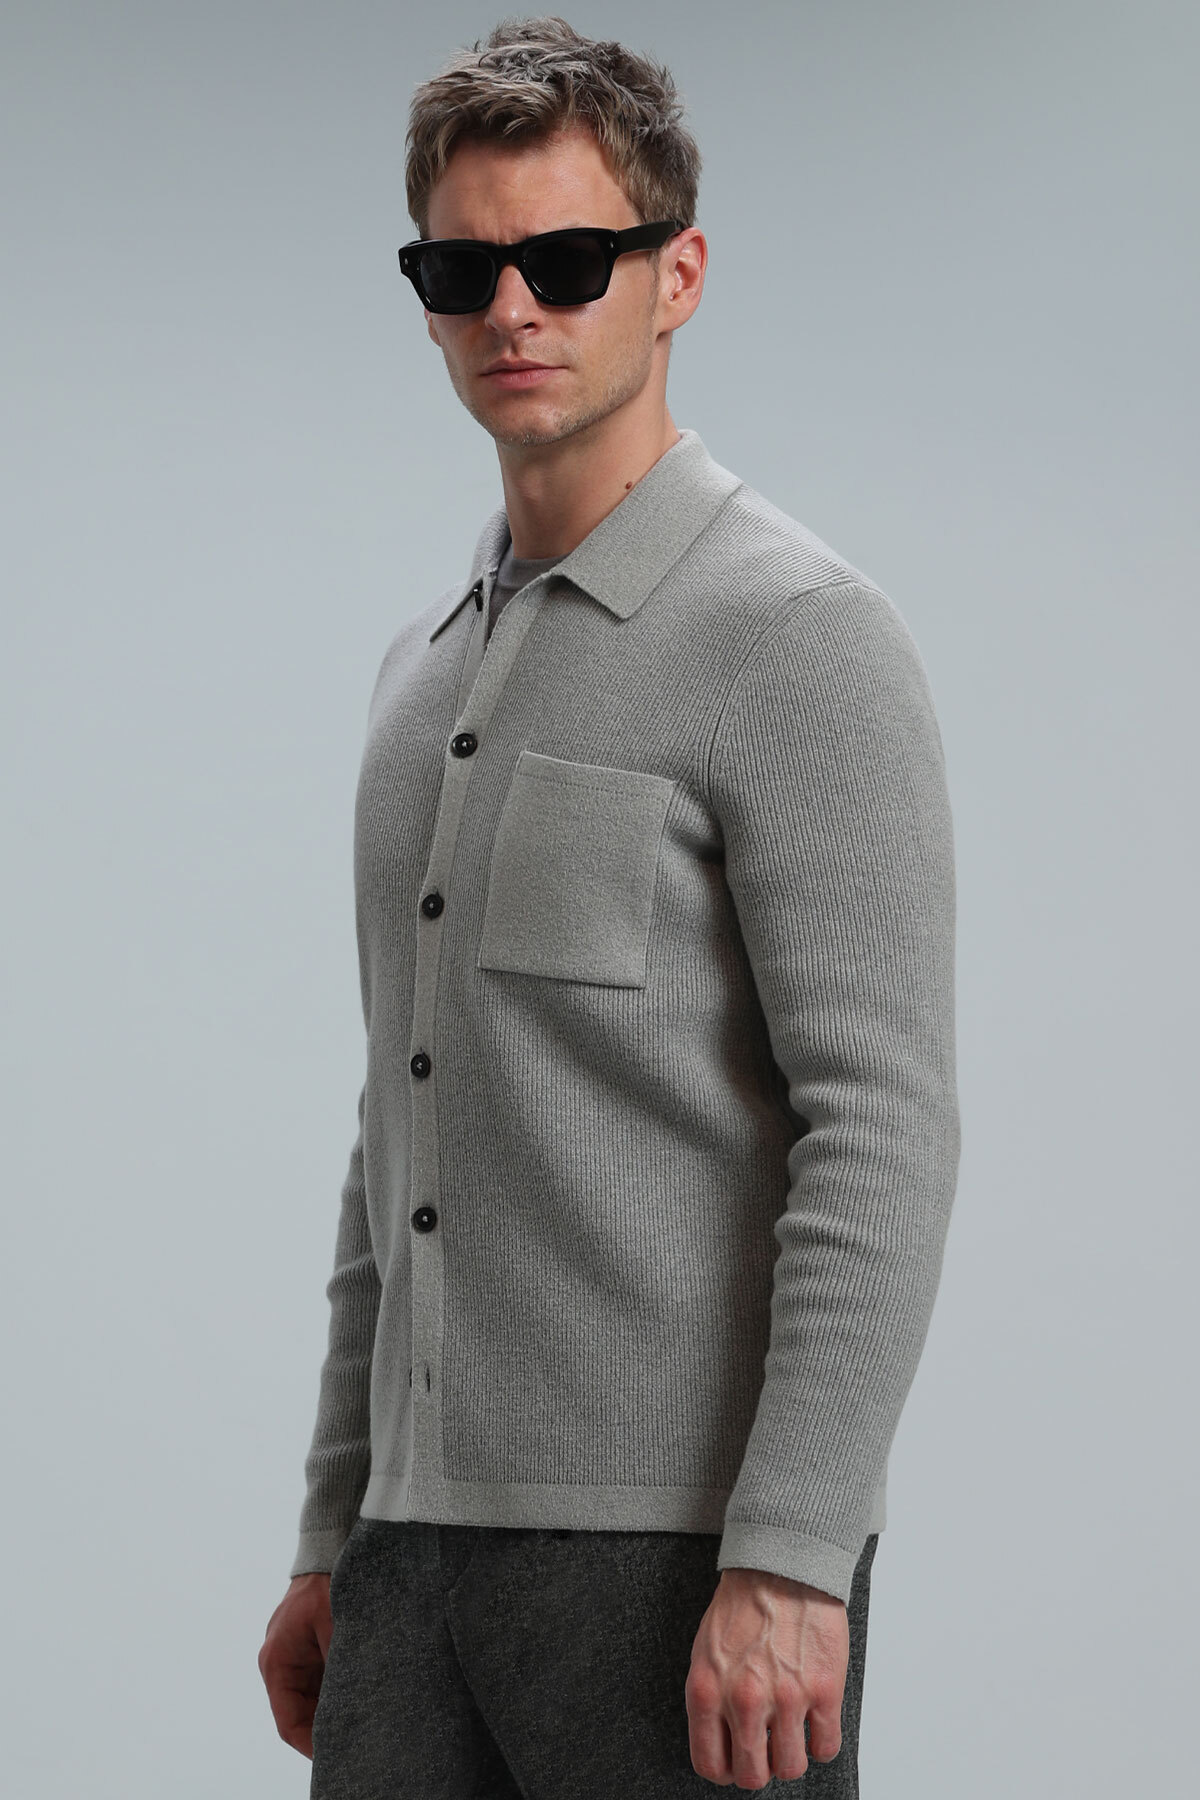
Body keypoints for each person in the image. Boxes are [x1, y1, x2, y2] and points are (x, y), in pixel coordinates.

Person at [257, 15, 960, 1797]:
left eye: (570, 261)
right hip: (408, 1562)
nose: (514, 309)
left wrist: (794, 1552)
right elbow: (398, 1132)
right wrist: (336, 1524)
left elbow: (880, 1127)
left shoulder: (799, 638)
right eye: (462, 269)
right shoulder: (418, 679)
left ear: (677, 275)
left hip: (680, 1568)